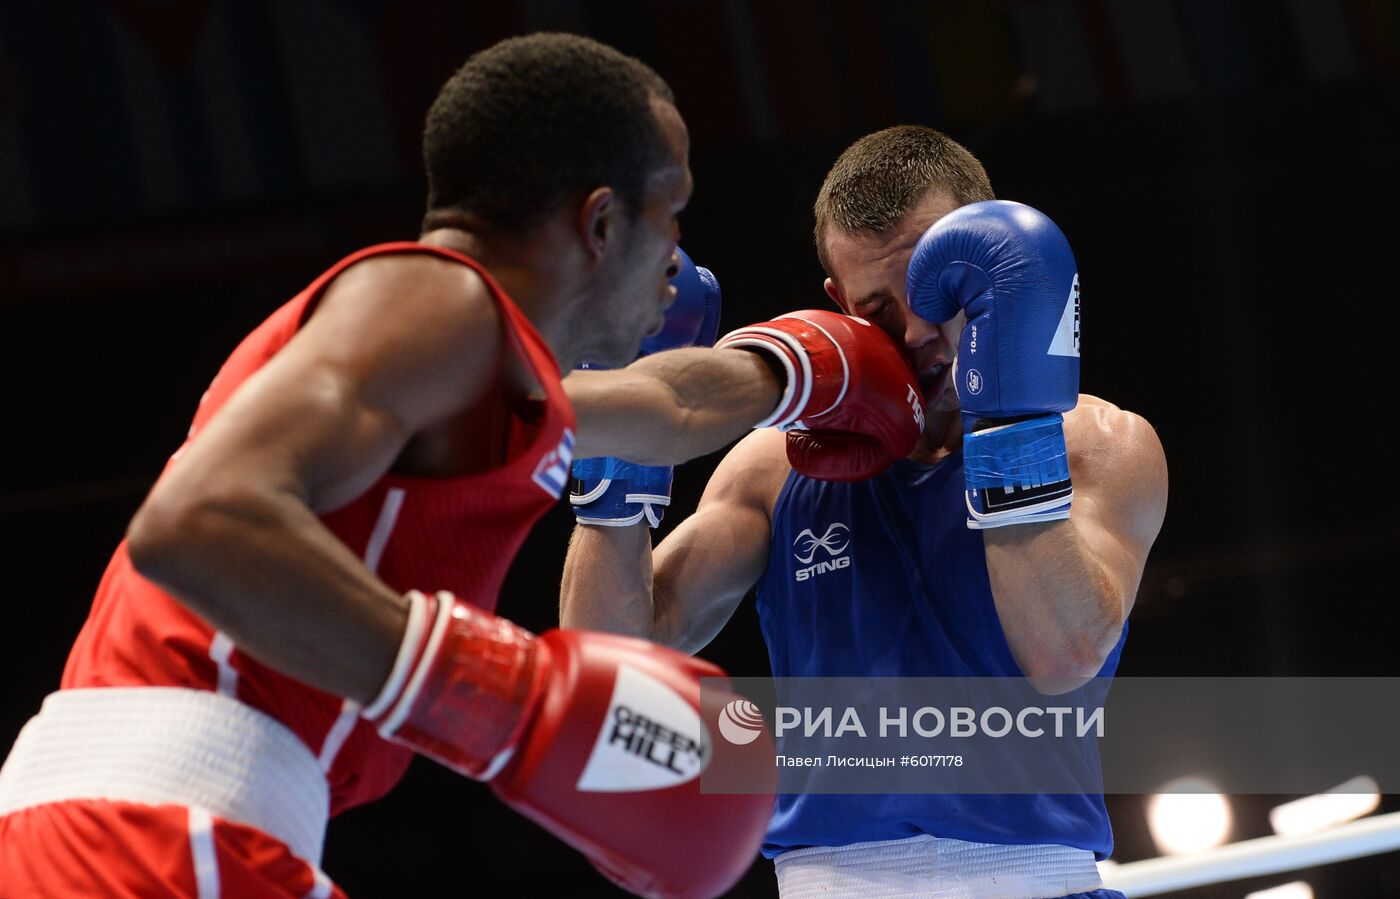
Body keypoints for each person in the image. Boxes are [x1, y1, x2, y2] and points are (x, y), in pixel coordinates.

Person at [0, 36, 926, 899]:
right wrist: (505, 698)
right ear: (600, 222)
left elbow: (672, 409)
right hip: (153, 831)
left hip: (187, 827)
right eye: (671, 210)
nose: (679, 259)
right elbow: (192, 523)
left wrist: (810, 364)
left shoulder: (485, 374)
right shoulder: (438, 302)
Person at [561, 124, 1169, 898]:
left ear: (993, 273)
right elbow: (613, 665)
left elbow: (1062, 654)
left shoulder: (1103, 445)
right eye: (879, 310)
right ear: (837, 306)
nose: (916, 333)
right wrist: (617, 460)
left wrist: (1010, 423)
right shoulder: (774, 466)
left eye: (936, 293)